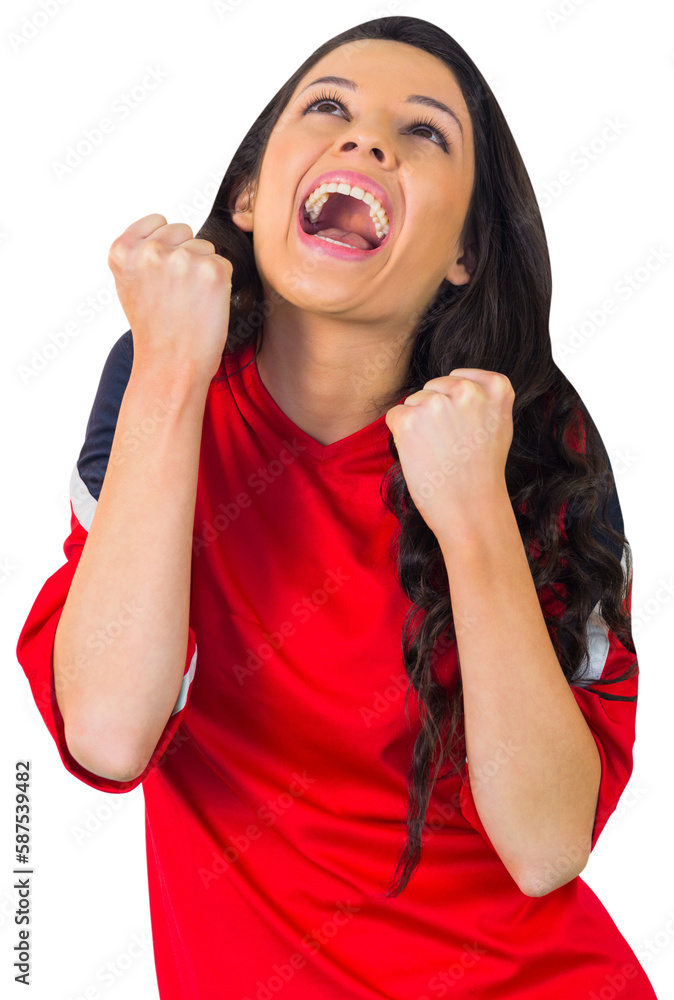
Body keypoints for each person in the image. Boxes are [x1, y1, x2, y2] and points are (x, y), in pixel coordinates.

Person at [16, 14, 658, 1000]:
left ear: (463, 255)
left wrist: (473, 515)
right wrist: (168, 373)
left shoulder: (533, 440)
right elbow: (107, 731)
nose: (365, 140)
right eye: (328, 109)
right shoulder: (160, 386)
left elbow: (542, 849)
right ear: (249, 192)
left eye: (423, 132)